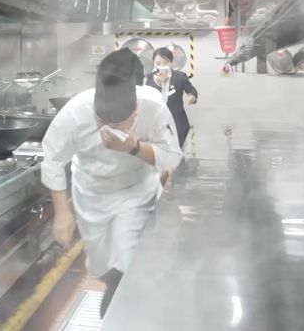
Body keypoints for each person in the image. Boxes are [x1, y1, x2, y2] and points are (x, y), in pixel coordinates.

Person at [41, 49, 183, 317]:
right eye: (103, 121)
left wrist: (134, 147)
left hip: (135, 191)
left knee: (128, 263)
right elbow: (52, 159)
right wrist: (62, 212)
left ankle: (125, 314)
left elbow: (171, 157)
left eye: (121, 123)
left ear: (136, 110)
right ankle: (116, 294)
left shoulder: (153, 107)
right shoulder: (75, 112)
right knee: (102, 267)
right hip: (90, 193)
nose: (110, 128)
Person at [144, 47, 198, 148]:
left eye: (165, 63)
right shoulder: (150, 77)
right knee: (159, 152)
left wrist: (192, 97)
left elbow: (191, 90)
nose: (162, 66)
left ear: (171, 62)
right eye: (158, 63)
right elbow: (148, 97)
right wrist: (158, 82)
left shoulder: (180, 76)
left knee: (176, 152)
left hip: (178, 123)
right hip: (156, 125)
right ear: (154, 62)